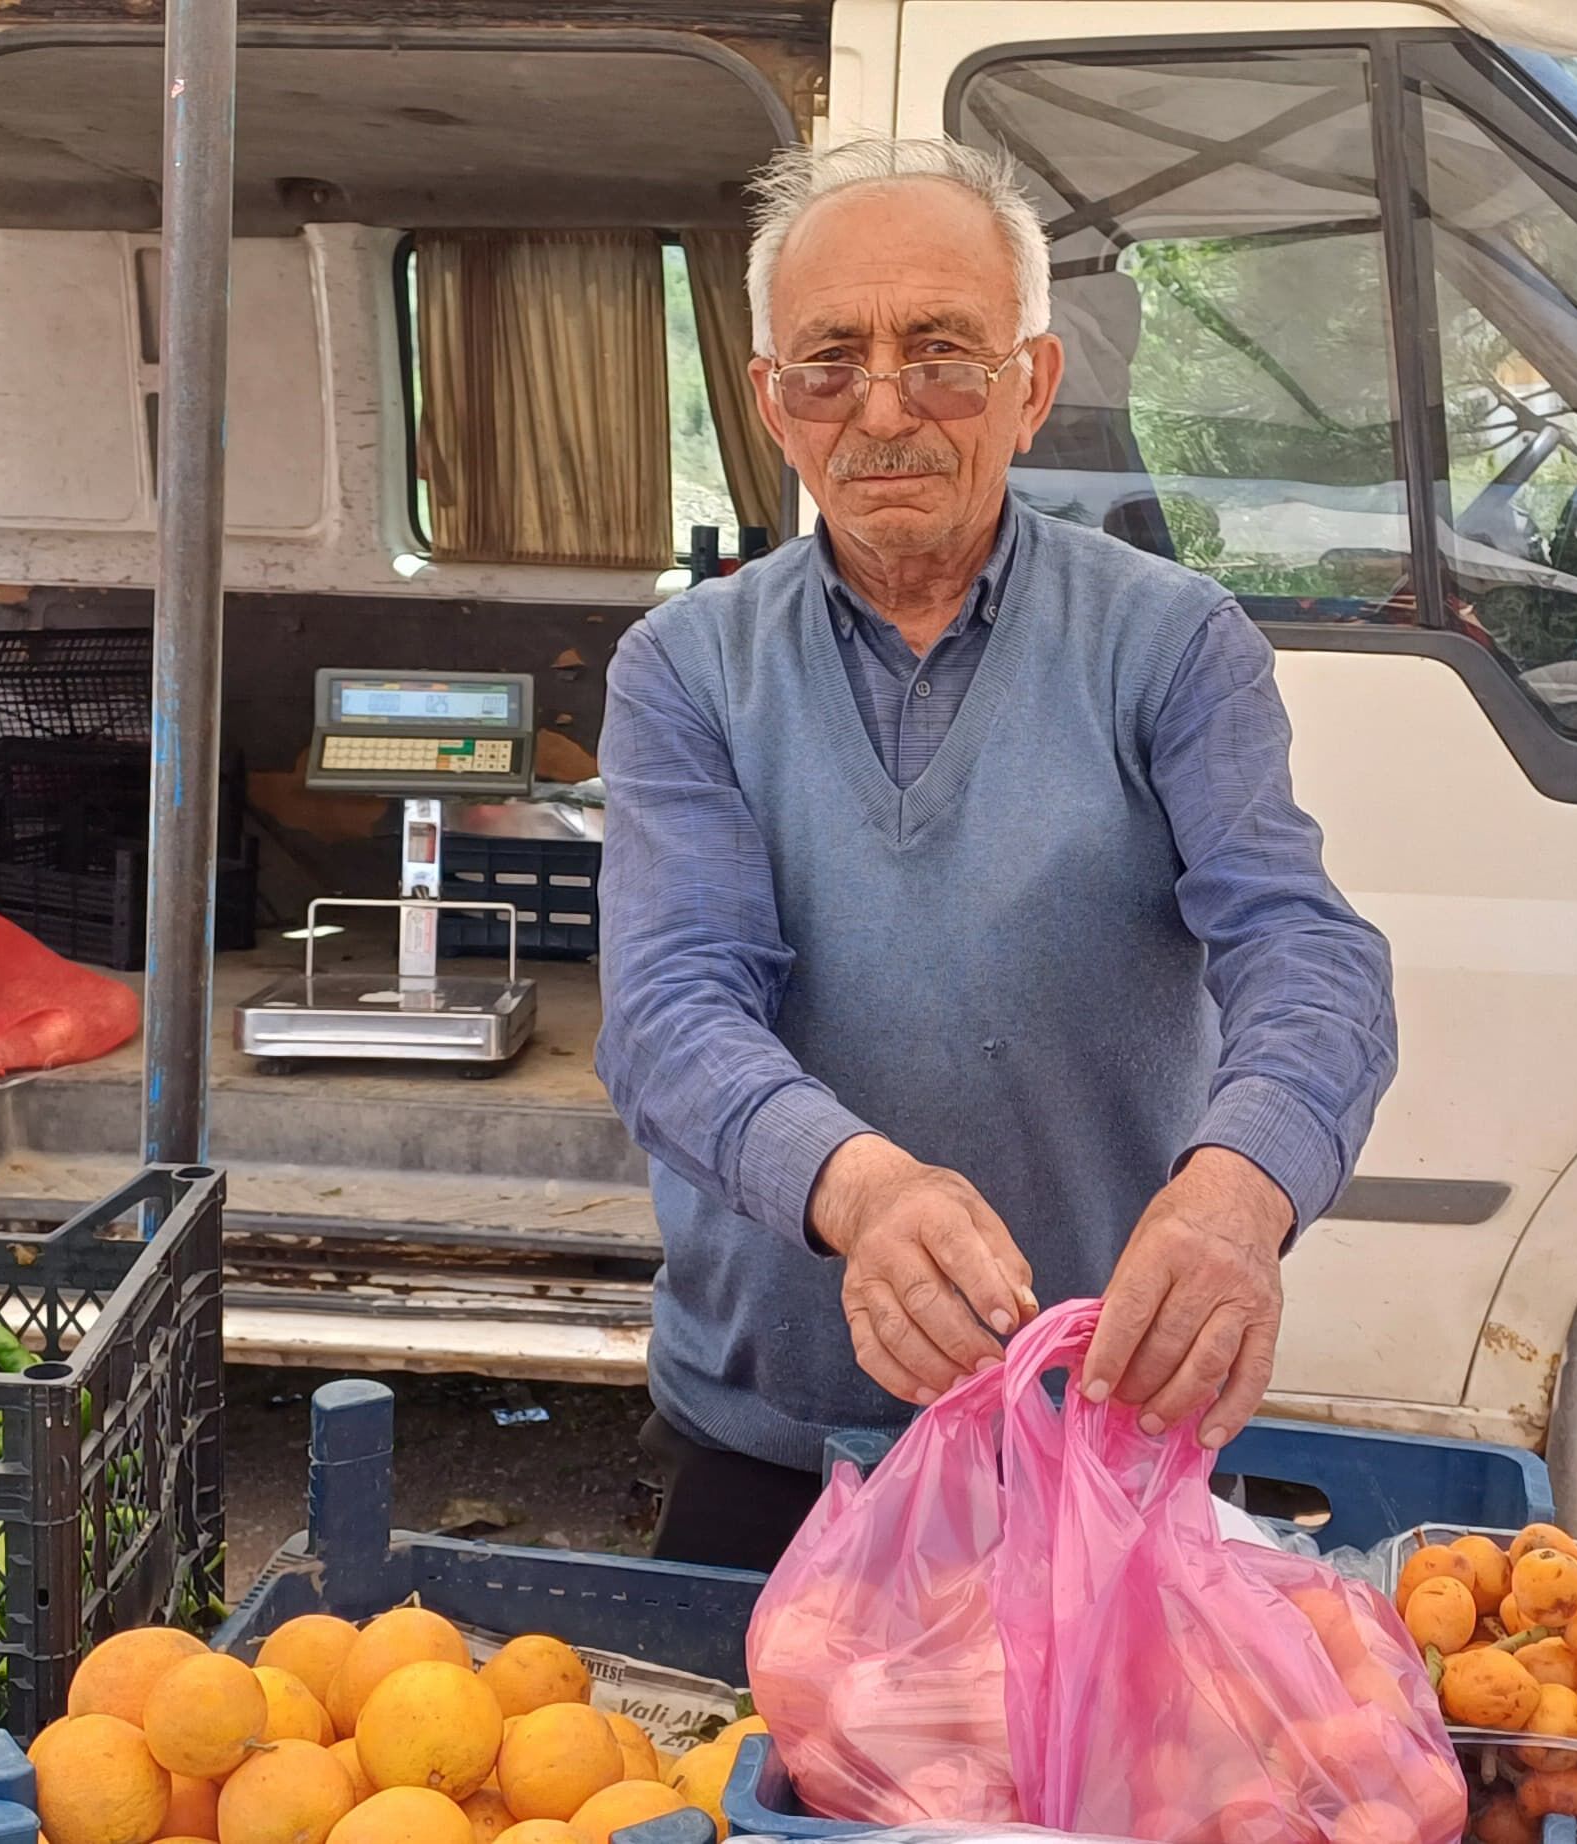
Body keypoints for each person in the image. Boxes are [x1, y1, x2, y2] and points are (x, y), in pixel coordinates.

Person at [595, 138, 1399, 1570]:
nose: (885, 408)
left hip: (1087, 1424)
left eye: (943, 353)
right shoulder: (687, 666)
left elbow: (1304, 947)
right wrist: (859, 1189)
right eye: (831, 360)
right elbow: (672, 1011)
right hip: (772, 1437)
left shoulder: (1170, 640)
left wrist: (1234, 1195)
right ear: (775, 404)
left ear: (1030, 386)